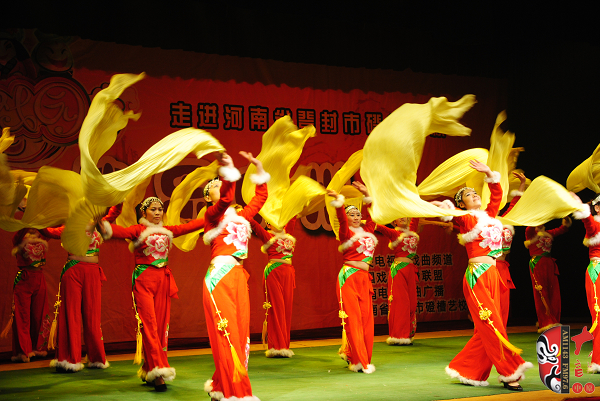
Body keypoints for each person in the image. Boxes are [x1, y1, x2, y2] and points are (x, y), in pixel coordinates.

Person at [433, 159, 532, 391]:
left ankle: (468, 369)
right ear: (462, 203)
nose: (475, 195)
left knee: (487, 328)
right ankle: (509, 372)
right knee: (491, 323)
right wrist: (443, 207)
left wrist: (488, 172)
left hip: (494, 273)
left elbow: (497, 196)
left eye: (475, 192)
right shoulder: (466, 219)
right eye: (469, 194)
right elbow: (452, 214)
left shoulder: (489, 215)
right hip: (476, 275)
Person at [99, 196, 205, 392]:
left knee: (162, 327)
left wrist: (215, 214)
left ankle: (150, 368)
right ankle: (158, 372)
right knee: (149, 325)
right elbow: (114, 231)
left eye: (160, 209)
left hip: (163, 280)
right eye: (153, 209)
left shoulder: (168, 230)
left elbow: (191, 226)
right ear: (144, 212)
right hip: (144, 280)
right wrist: (106, 217)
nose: (157, 213)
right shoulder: (138, 230)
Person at [202, 151, 268, 401]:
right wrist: (228, 173)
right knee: (227, 333)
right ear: (208, 197)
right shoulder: (212, 215)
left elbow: (261, 197)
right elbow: (226, 199)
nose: (220, 187)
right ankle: (237, 393)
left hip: (239, 276)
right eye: (215, 185)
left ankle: (221, 386)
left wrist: (259, 169)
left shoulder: (241, 216)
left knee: (241, 335)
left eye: (221, 183)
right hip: (220, 277)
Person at [326, 181, 377, 374]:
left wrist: (368, 194)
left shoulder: (368, 231)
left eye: (358, 214)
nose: (356, 217)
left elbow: (374, 216)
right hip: (349, 277)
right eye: (351, 214)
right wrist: (339, 203)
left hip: (364, 279)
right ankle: (359, 361)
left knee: (366, 321)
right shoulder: (345, 233)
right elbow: (341, 218)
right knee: (353, 320)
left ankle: (358, 356)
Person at [249, 217, 297, 358]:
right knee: (277, 308)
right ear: (269, 225)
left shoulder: (288, 233)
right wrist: (244, 212)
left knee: (287, 309)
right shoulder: (267, 235)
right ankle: (276, 346)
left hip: (288, 273)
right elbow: (254, 225)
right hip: (274, 272)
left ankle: (284, 346)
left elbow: (292, 215)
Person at [6, 228, 50, 362]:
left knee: (40, 315)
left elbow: (53, 229)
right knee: (22, 316)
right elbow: (18, 234)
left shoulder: (42, 235)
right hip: (24, 278)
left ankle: (39, 349)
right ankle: (23, 351)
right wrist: (26, 222)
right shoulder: (19, 237)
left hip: (39, 277)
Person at [375, 217, 418, 345]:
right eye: (399, 217)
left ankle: (408, 333)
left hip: (410, 270)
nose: (403, 217)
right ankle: (399, 335)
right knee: (401, 303)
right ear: (394, 222)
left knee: (412, 303)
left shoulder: (412, 230)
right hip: (399, 270)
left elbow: (416, 215)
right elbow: (380, 227)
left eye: (404, 215)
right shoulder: (394, 233)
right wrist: (366, 221)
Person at [524, 215, 571, 333]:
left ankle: (554, 319)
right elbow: (530, 227)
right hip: (537, 264)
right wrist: (536, 216)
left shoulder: (548, 233)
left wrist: (566, 219)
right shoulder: (530, 233)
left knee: (553, 291)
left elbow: (562, 229)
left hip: (549, 264)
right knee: (541, 293)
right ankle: (545, 321)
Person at [572, 194, 600, 373]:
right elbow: (588, 222)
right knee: (599, 315)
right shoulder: (595, 224)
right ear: (597, 208)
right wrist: (582, 208)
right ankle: (598, 360)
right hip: (598, 271)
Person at [496, 172, 527, 326]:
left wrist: (522, 183)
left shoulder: (505, 219)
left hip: (503, 267)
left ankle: (501, 335)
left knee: (503, 304)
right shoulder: (480, 223)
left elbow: (516, 203)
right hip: (488, 267)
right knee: (491, 304)